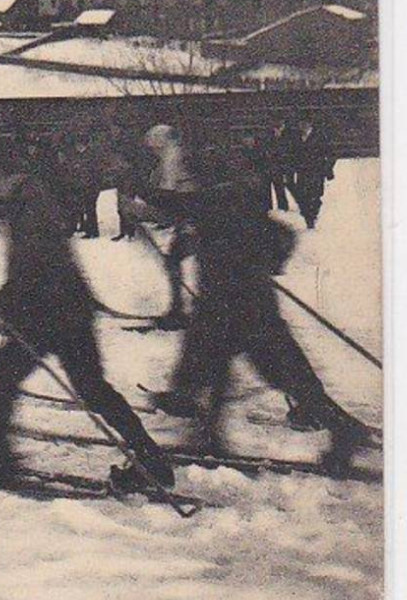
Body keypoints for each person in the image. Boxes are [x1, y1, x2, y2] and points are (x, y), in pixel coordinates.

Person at [0, 138, 174, 489]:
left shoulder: (29, 204)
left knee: (6, 374)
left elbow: (36, 266)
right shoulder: (28, 199)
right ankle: (151, 459)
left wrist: (2, 300)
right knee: (92, 388)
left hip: (53, 311)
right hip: (65, 308)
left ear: (2, 174)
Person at [156, 146, 368, 473]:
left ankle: (345, 429)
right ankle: (209, 433)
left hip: (235, 312)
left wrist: (136, 193)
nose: (187, 181)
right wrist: (267, 264)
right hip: (244, 309)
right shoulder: (237, 199)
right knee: (228, 372)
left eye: (190, 175)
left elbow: (172, 204)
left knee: (276, 376)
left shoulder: (213, 200)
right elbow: (280, 236)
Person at [139, 123, 199, 330]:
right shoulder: (176, 154)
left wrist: (143, 205)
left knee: (174, 260)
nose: (153, 151)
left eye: (154, 147)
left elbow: (170, 194)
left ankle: (178, 310)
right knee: (177, 259)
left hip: (195, 219)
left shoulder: (172, 157)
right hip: (193, 217)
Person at [292, 117, 336, 230]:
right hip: (302, 172)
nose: (301, 126)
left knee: (314, 195)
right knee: (302, 196)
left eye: (304, 123)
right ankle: (308, 214)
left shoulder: (320, 137)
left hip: (316, 171)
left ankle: (312, 217)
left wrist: (327, 168)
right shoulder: (296, 138)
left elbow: (331, 153)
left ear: (309, 124)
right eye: (300, 124)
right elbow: (292, 154)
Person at [264, 119, 296, 212]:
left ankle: (283, 207)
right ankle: (268, 208)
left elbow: (289, 151)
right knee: (269, 188)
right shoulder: (268, 136)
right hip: (271, 165)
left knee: (281, 187)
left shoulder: (289, 136)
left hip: (283, 165)